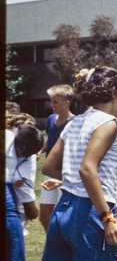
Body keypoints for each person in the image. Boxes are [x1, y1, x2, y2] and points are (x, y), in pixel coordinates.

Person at [40, 66, 117, 261]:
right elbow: (87, 168)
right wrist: (107, 217)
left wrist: (68, 182)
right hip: (93, 212)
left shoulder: (74, 121)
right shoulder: (108, 123)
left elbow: (49, 167)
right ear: (115, 93)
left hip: (64, 211)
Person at [5, 121, 45, 261]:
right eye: (22, 151)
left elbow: (32, 211)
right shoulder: (9, 139)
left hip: (17, 215)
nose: (23, 155)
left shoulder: (26, 163)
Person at [39, 84, 75, 232]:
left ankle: (65, 246)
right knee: (44, 215)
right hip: (49, 173)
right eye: (51, 101)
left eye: (55, 102)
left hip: (64, 175)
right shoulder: (51, 119)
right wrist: (39, 151)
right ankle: (54, 244)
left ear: (66, 102)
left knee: (64, 216)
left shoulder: (74, 122)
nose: (51, 105)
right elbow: (50, 139)